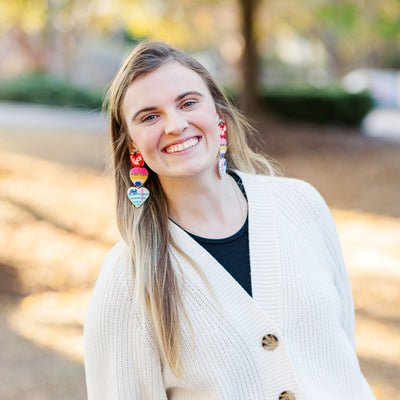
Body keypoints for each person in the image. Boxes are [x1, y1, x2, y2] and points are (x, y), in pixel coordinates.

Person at [83, 40, 375, 400]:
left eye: (188, 103)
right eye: (150, 116)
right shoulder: (128, 276)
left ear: (218, 113)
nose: (175, 125)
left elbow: (345, 357)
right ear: (131, 146)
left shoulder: (301, 205)